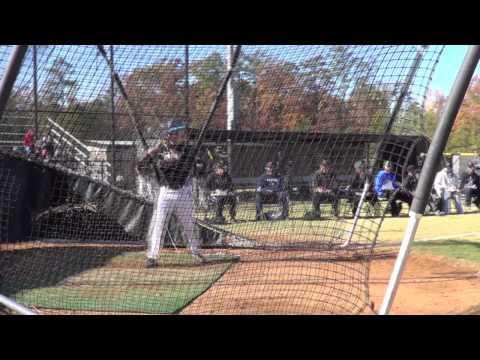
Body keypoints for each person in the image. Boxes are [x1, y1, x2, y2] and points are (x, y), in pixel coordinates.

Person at [137, 119, 204, 268]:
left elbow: (197, 167)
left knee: (189, 225)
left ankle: (195, 251)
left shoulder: (188, 150)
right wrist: (150, 154)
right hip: (165, 193)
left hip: (183, 192)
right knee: (158, 225)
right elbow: (140, 167)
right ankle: (152, 257)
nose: (182, 136)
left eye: (181, 133)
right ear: (171, 134)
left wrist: (175, 159)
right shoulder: (160, 150)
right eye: (178, 133)